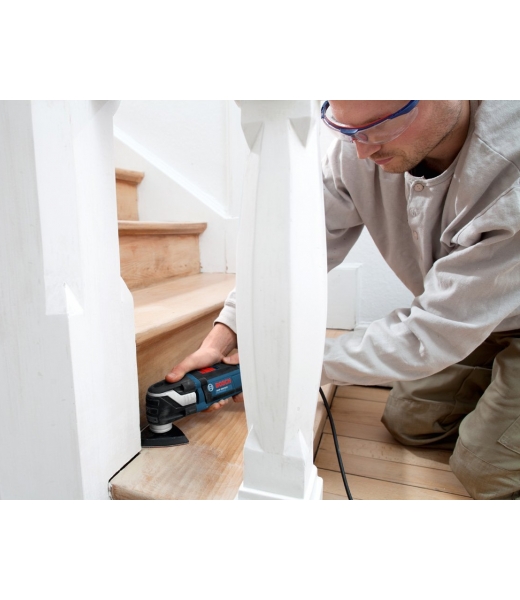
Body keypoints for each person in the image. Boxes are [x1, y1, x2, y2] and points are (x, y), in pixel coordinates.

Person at [166, 101, 520, 500]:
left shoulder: (511, 171)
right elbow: (293, 254)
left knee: (484, 468)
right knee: (410, 423)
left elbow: (428, 337)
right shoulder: (358, 148)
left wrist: (287, 370)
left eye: (379, 126)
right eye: (346, 129)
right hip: (468, 318)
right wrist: (226, 332)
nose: (362, 151)